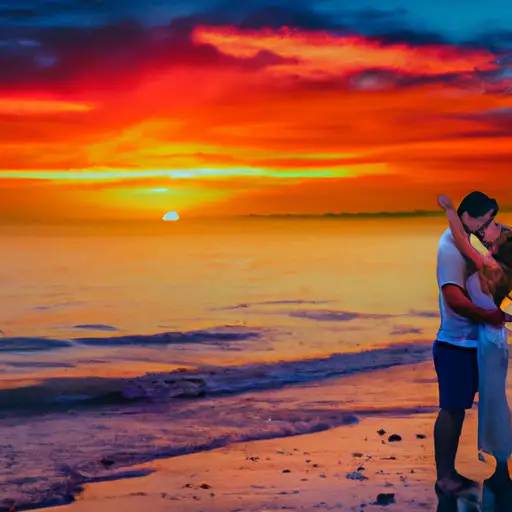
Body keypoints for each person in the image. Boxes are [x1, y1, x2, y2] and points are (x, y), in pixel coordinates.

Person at [433, 191, 512, 496]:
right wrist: (490, 316)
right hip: (460, 343)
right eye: (489, 220)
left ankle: (498, 469)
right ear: (472, 218)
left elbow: (465, 238)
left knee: (491, 405)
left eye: (495, 221)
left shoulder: (477, 248)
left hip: (483, 343)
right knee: (457, 408)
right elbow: (453, 299)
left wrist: (451, 210)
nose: (494, 226)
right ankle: (446, 476)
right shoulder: (453, 248)